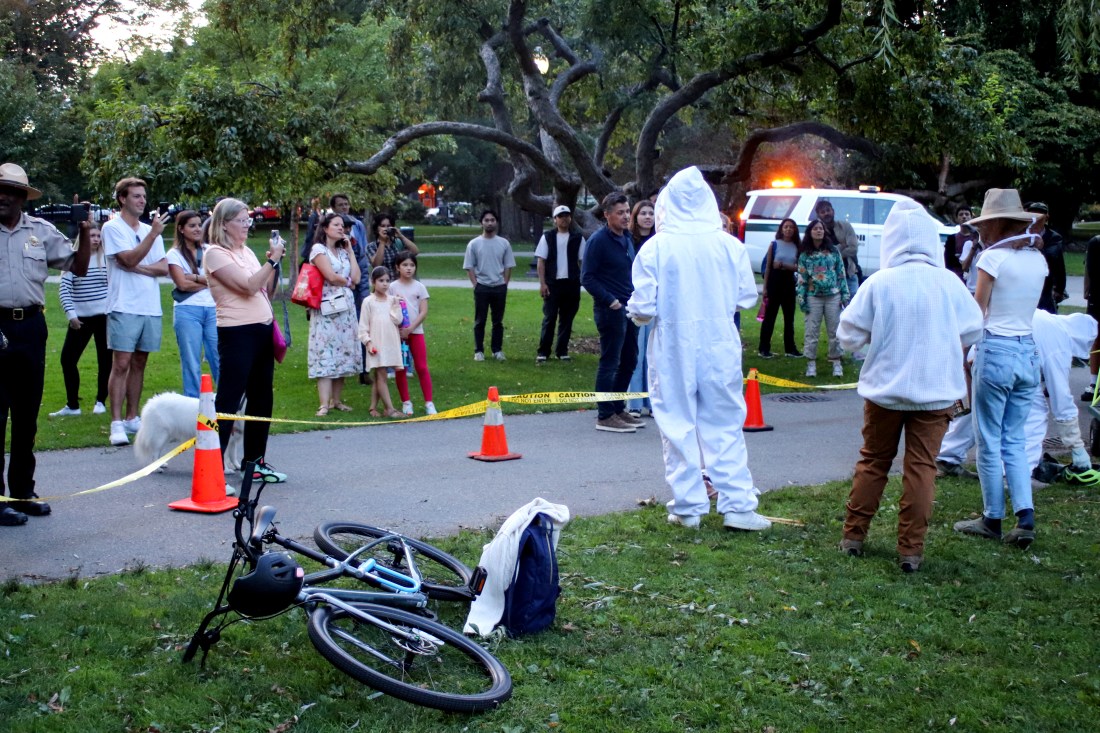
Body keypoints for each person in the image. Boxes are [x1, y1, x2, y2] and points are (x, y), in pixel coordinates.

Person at [837, 200, 984, 573]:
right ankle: (911, 551)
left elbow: (847, 335)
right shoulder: (949, 282)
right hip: (936, 392)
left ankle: (854, 536)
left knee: (873, 461)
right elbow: (973, 328)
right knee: (921, 467)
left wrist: (878, 335)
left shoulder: (880, 282)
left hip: (885, 390)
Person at [626, 166, 769, 531]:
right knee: (724, 424)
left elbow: (642, 309)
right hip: (719, 342)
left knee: (677, 423)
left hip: (673, 343)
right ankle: (737, 505)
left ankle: (689, 506)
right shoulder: (728, 246)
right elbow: (746, 297)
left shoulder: (656, 248)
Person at [953, 188, 1046, 550]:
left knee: (989, 440)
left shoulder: (991, 259)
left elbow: (977, 314)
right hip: (1027, 351)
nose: (980, 233)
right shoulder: (1038, 261)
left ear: (996, 224)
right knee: (1015, 439)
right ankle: (1025, 515)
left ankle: (992, 517)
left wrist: (962, 353)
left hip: (996, 348)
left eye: (984, 225)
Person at [0, 163, 91, 525]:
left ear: (23, 197)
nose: (3, 196)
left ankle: (22, 492)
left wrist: (84, 232)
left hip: (31, 328)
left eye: (11, 191)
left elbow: (77, 267)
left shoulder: (41, 232)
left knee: (26, 415)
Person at [203, 198, 287, 485]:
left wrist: (274, 266)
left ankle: (255, 462)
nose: (247, 225)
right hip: (236, 332)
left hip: (261, 330)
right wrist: (271, 261)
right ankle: (213, 467)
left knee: (262, 397)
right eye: (241, 220)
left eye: (248, 219)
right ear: (224, 223)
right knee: (228, 399)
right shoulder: (215, 254)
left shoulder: (247, 252)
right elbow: (248, 286)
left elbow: (267, 290)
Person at [100, 177, 169, 447]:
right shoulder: (112, 228)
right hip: (124, 305)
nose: (142, 200)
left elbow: (163, 268)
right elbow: (127, 259)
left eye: (144, 196)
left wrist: (139, 265)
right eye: (137, 196)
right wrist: (151, 237)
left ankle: (131, 417)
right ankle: (116, 422)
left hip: (150, 306)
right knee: (121, 363)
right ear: (122, 199)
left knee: (140, 362)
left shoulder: (150, 229)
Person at [582, 192, 644, 433]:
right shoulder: (598, 240)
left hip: (630, 309)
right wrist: (611, 301)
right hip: (611, 310)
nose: (626, 216)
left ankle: (618, 408)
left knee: (629, 360)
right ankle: (605, 414)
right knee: (611, 361)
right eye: (620, 212)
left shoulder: (627, 237)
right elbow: (587, 277)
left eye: (627, 211)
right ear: (607, 215)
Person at [49, 221, 110, 417]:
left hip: (105, 317)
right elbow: (64, 290)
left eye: (98, 236)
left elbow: (114, 287)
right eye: (91, 236)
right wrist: (71, 315)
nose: (96, 239)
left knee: (106, 361)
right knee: (67, 359)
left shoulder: (106, 260)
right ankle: (72, 405)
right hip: (81, 319)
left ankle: (101, 401)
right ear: (82, 238)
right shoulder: (75, 261)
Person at [308, 213, 362, 416]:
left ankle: (336, 400)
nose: (342, 228)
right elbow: (330, 275)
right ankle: (324, 403)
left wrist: (350, 252)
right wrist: (348, 281)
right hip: (327, 306)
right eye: (337, 225)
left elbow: (356, 276)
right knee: (325, 352)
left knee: (343, 351)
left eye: (343, 226)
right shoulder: (318, 250)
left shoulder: (342, 251)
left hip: (346, 308)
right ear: (325, 228)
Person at [166, 210, 219, 397]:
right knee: (191, 361)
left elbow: (219, 280)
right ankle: (193, 406)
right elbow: (181, 284)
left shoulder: (208, 250)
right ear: (181, 229)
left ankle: (229, 406)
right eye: (192, 226)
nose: (197, 229)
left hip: (213, 309)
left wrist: (195, 277)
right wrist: (207, 282)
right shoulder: (174, 254)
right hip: (187, 311)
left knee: (218, 357)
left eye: (199, 225)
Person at [797, 220, 849, 378]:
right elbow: (802, 277)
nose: (818, 231)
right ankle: (811, 364)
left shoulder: (833, 251)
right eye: (815, 229)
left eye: (821, 229)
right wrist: (802, 298)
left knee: (835, 331)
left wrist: (844, 294)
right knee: (811, 331)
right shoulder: (805, 254)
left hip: (833, 296)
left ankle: (836, 362)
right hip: (813, 297)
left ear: (824, 232)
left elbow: (841, 273)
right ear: (810, 232)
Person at [535, 205, 586, 365]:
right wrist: (542, 283)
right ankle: (543, 351)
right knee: (549, 317)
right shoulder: (548, 237)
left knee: (567, 318)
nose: (564, 219)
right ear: (555, 219)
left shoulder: (577, 238)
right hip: (552, 284)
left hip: (571, 284)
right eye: (561, 216)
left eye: (567, 216)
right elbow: (541, 261)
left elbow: (582, 261)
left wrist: (581, 279)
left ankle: (562, 351)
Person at [463, 210, 515, 361]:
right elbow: (469, 266)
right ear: (482, 223)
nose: (490, 222)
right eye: (486, 220)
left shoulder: (504, 243)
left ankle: (497, 350)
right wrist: (475, 284)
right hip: (482, 287)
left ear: (496, 222)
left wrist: (504, 284)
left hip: (499, 287)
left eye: (492, 220)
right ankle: (478, 351)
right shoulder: (474, 244)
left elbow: (508, 265)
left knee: (498, 321)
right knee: (480, 320)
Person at [389, 251, 436, 416]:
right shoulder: (392, 287)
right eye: (404, 265)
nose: (408, 269)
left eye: (411, 265)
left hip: (416, 332)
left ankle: (429, 402)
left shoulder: (419, 287)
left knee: (421, 367)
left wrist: (411, 328)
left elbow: (423, 312)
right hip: (398, 334)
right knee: (400, 367)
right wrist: (400, 330)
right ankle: (406, 402)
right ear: (397, 267)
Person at [358, 266, 403, 417]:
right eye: (381, 280)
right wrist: (368, 342)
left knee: (379, 376)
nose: (385, 284)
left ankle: (373, 407)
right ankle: (389, 409)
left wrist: (396, 305)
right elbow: (363, 326)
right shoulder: (368, 301)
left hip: (390, 342)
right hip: (376, 343)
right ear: (373, 282)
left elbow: (397, 320)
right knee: (381, 374)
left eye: (387, 281)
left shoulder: (392, 300)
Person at [757, 218, 802, 359]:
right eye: (786, 227)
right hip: (774, 282)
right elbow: (768, 267)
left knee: (789, 318)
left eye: (791, 227)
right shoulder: (774, 245)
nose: (788, 229)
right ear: (781, 229)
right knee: (770, 317)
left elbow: (799, 267)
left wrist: (783, 265)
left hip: (789, 283)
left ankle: (790, 349)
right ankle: (764, 349)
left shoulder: (797, 247)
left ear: (795, 230)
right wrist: (765, 288)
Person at [625, 201, 654, 416]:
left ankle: (653, 403)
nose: (647, 217)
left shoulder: (659, 242)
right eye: (643, 213)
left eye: (651, 213)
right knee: (635, 352)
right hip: (634, 302)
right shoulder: (628, 241)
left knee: (653, 355)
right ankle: (634, 403)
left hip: (656, 302)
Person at [302, 193, 367, 262]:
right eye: (340, 205)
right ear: (333, 208)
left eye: (346, 204)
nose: (344, 207)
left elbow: (363, 248)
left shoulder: (357, 224)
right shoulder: (327, 223)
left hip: (357, 263)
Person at [1026, 202, 1066, 314]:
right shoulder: (1022, 235)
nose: (1036, 219)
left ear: (1046, 218)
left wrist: (1059, 289)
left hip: (1045, 285)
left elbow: (1055, 259)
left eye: (1040, 216)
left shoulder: (1054, 238)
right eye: (1033, 215)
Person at [814, 199, 860, 297]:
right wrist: (841, 246)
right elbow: (819, 256)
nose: (826, 213)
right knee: (834, 311)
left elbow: (853, 249)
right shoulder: (816, 231)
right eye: (822, 212)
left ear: (833, 211)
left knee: (852, 309)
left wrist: (833, 253)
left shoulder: (845, 226)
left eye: (828, 210)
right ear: (818, 215)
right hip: (828, 279)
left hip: (849, 275)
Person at [366, 213, 419, 281]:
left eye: (389, 226)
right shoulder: (371, 246)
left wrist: (400, 236)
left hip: (401, 283)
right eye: (383, 226)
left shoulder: (398, 243)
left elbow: (415, 252)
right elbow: (376, 265)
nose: (386, 228)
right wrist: (382, 242)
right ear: (376, 229)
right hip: (384, 284)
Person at [1083, 234, 1100, 402]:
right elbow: (1091, 271)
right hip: (1098, 298)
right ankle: (1094, 383)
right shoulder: (1096, 242)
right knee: (1097, 338)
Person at [943, 205, 974, 279]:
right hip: (956, 277)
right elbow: (948, 262)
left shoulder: (977, 238)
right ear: (957, 219)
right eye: (961, 214)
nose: (964, 217)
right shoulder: (952, 239)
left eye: (967, 214)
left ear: (971, 217)